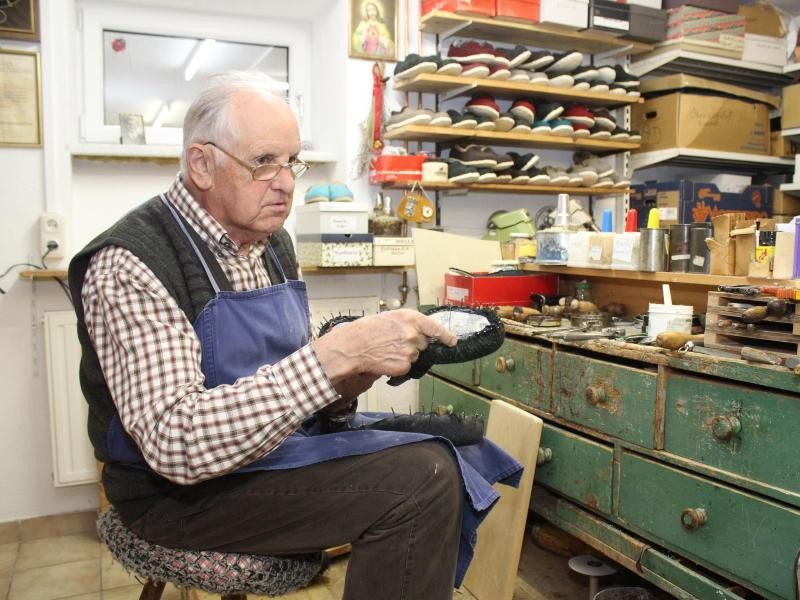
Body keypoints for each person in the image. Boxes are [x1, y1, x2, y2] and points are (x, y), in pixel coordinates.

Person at [69, 71, 518, 599]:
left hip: (269, 456)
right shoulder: (132, 262)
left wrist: (353, 374)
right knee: (421, 480)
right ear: (201, 164)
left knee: (452, 445)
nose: (285, 182)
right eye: (263, 162)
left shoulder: (272, 243)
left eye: (292, 162)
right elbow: (176, 444)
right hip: (172, 496)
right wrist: (332, 357)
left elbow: (299, 394)